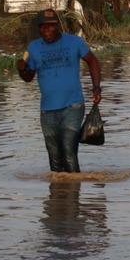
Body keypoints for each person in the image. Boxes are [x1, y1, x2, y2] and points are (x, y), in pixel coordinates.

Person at [16, 9, 102, 173]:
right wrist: (21, 69)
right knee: (54, 156)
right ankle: (58, 194)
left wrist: (96, 88)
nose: (47, 30)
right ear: (39, 28)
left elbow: (92, 62)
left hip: (73, 106)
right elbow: (28, 78)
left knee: (68, 148)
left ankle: (73, 192)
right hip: (47, 111)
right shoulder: (33, 48)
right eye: (43, 27)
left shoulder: (74, 42)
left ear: (58, 26)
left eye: (51, 26)